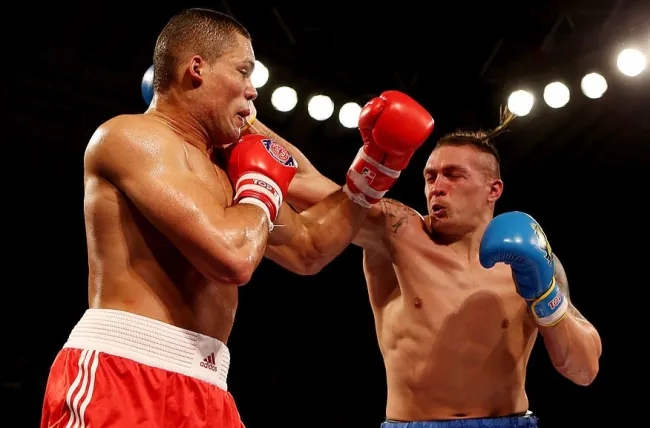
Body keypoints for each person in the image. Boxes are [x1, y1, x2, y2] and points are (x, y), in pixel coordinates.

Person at [39, 8, 434, 428]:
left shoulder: (229, 173)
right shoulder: (132, 137)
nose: (253, 92)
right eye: (244, 72)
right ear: (197, 68)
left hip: (208, 388)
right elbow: (232, 257)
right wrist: (262, 182)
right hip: (124, 372)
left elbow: (309, 249)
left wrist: (373, 170)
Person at [256, 120, 603, 427]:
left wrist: (545, 295)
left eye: (453, 175)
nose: (437, 186)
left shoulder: (532, 258)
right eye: (430, 176)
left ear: (492, 190)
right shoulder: (397, 231)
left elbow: (584, 370)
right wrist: (243, 120)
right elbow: (303, 180)